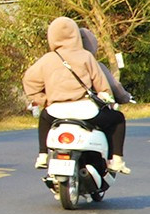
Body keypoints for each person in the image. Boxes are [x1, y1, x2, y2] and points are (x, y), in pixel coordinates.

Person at [24, 16, 128, 174]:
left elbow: (29, 81)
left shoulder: (47, 59)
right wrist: (105, 96)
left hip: (56, 112)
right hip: (85, 111)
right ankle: (117, 161)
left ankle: (43, 155)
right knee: (117, 118)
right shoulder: (86, 56)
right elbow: (102, 85)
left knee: (44, 117)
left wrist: (44, 100)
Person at [77, 26, 134, 106]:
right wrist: (126, 97)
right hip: (88, 108)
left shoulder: (61, 64)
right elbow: (114, 86)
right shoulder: (96, 66)